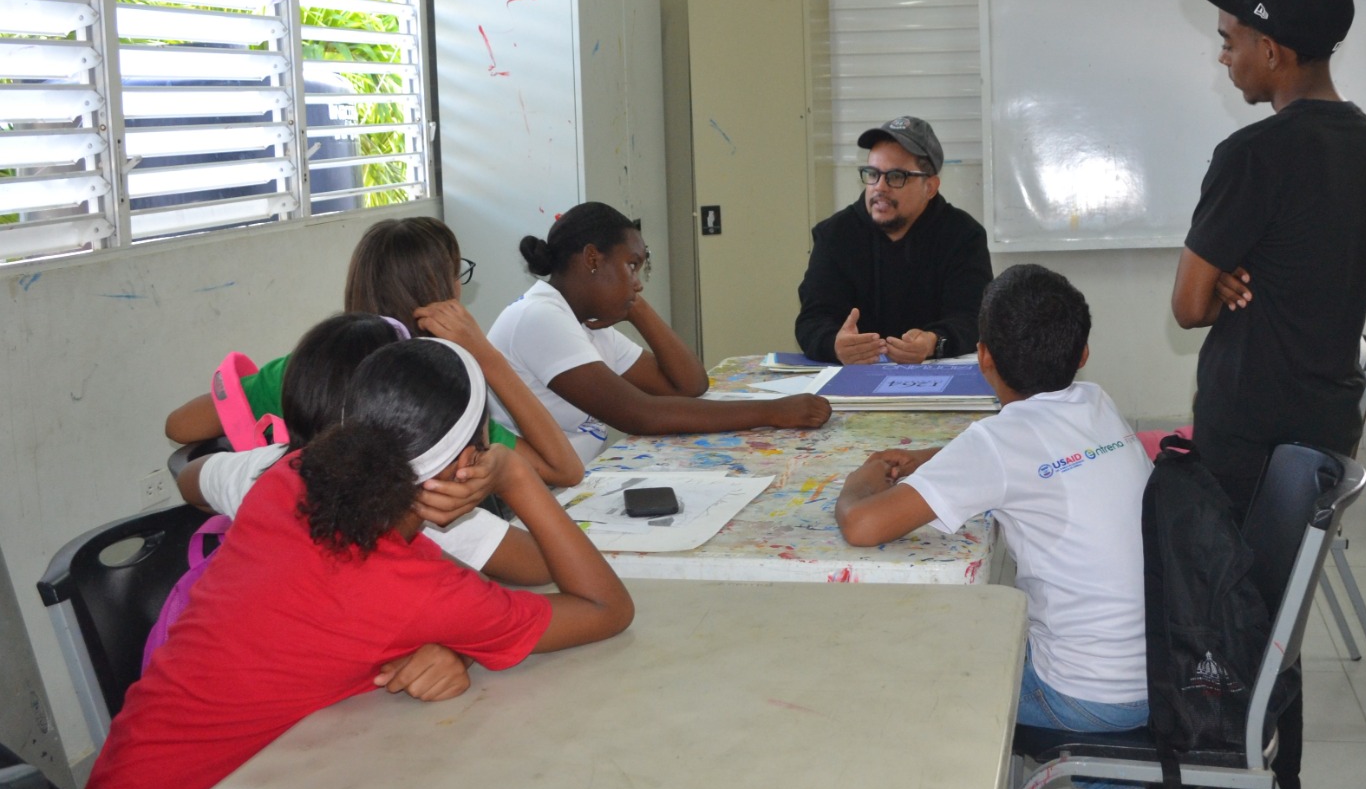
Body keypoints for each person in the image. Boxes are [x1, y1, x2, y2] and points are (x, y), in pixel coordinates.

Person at [70, 339, 633, 789]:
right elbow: (607, 606)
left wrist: (454, 644)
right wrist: (515, 476)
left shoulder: (290, 481)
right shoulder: (414, 590)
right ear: (467, 463)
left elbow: (341, 619)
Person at [833, 264, 1161, 789]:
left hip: (1082, 697)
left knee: (943, 665)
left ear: (983, 357)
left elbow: (863, 526)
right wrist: (935, 463)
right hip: (1161, 676)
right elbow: (1016, 460)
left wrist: (864, 477)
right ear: (1083, 353)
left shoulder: (999, 441)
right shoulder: (1096, 402)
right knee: (1039, 644)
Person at [1171, 0, 1366, 789]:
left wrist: (1225, 275)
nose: (1223, 55)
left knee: (1226, 610)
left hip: (1248, 432)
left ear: (1273, 50)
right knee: (1277, 621)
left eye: (1230, 39)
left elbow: (1189, 304)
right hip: (1320, 427)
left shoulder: (1253, 154)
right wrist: (1241, 269)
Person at [152, 313, 556, 665]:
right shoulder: (423, 507)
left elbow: (190, 477)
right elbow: (545, 566)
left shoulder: (273, 471)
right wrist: (509, 476)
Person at [165, 217, 585, 487]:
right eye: (457, 273)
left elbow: (180, 426)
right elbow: (563, 469)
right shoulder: (435, 392)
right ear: (440, 295)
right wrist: (487, 357)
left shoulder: (305, 369)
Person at [486, 202, 831, 463]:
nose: (638, 283)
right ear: (592, 259)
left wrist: (636, 308)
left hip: (572, 485)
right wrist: (772, 412)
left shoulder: (584, 322)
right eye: (631, 266)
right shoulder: (539, 317)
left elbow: (688, 385)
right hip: (534, 497)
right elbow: (639, 414)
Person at [794, 116, 993, 365]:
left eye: (896, 176)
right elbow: (812, 319)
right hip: (854, 378)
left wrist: (934, 342)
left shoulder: (963, 236)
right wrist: (833, 344)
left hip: (935, 377)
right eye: (872, 174)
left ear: (930, 187)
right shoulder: (835, 235)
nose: (880, 187)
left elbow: (972, 318)